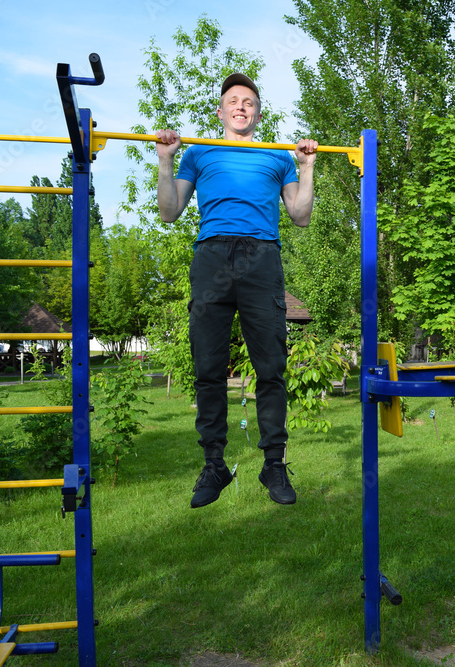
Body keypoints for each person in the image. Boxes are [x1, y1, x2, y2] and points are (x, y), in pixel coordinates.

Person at [155, 72, 318, 509]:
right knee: (208, 365)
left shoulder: (277, 155)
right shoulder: (198, 152)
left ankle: (273, 463)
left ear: (258, 114)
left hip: (262, 258)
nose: (241, 106)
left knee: (271, 367)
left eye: (248, 102)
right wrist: (166, 160)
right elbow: (169, 212)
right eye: (233, 101)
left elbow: (301, 216)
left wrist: (306, 168)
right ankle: (214, 464)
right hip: (212, 257)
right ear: (220, 111)